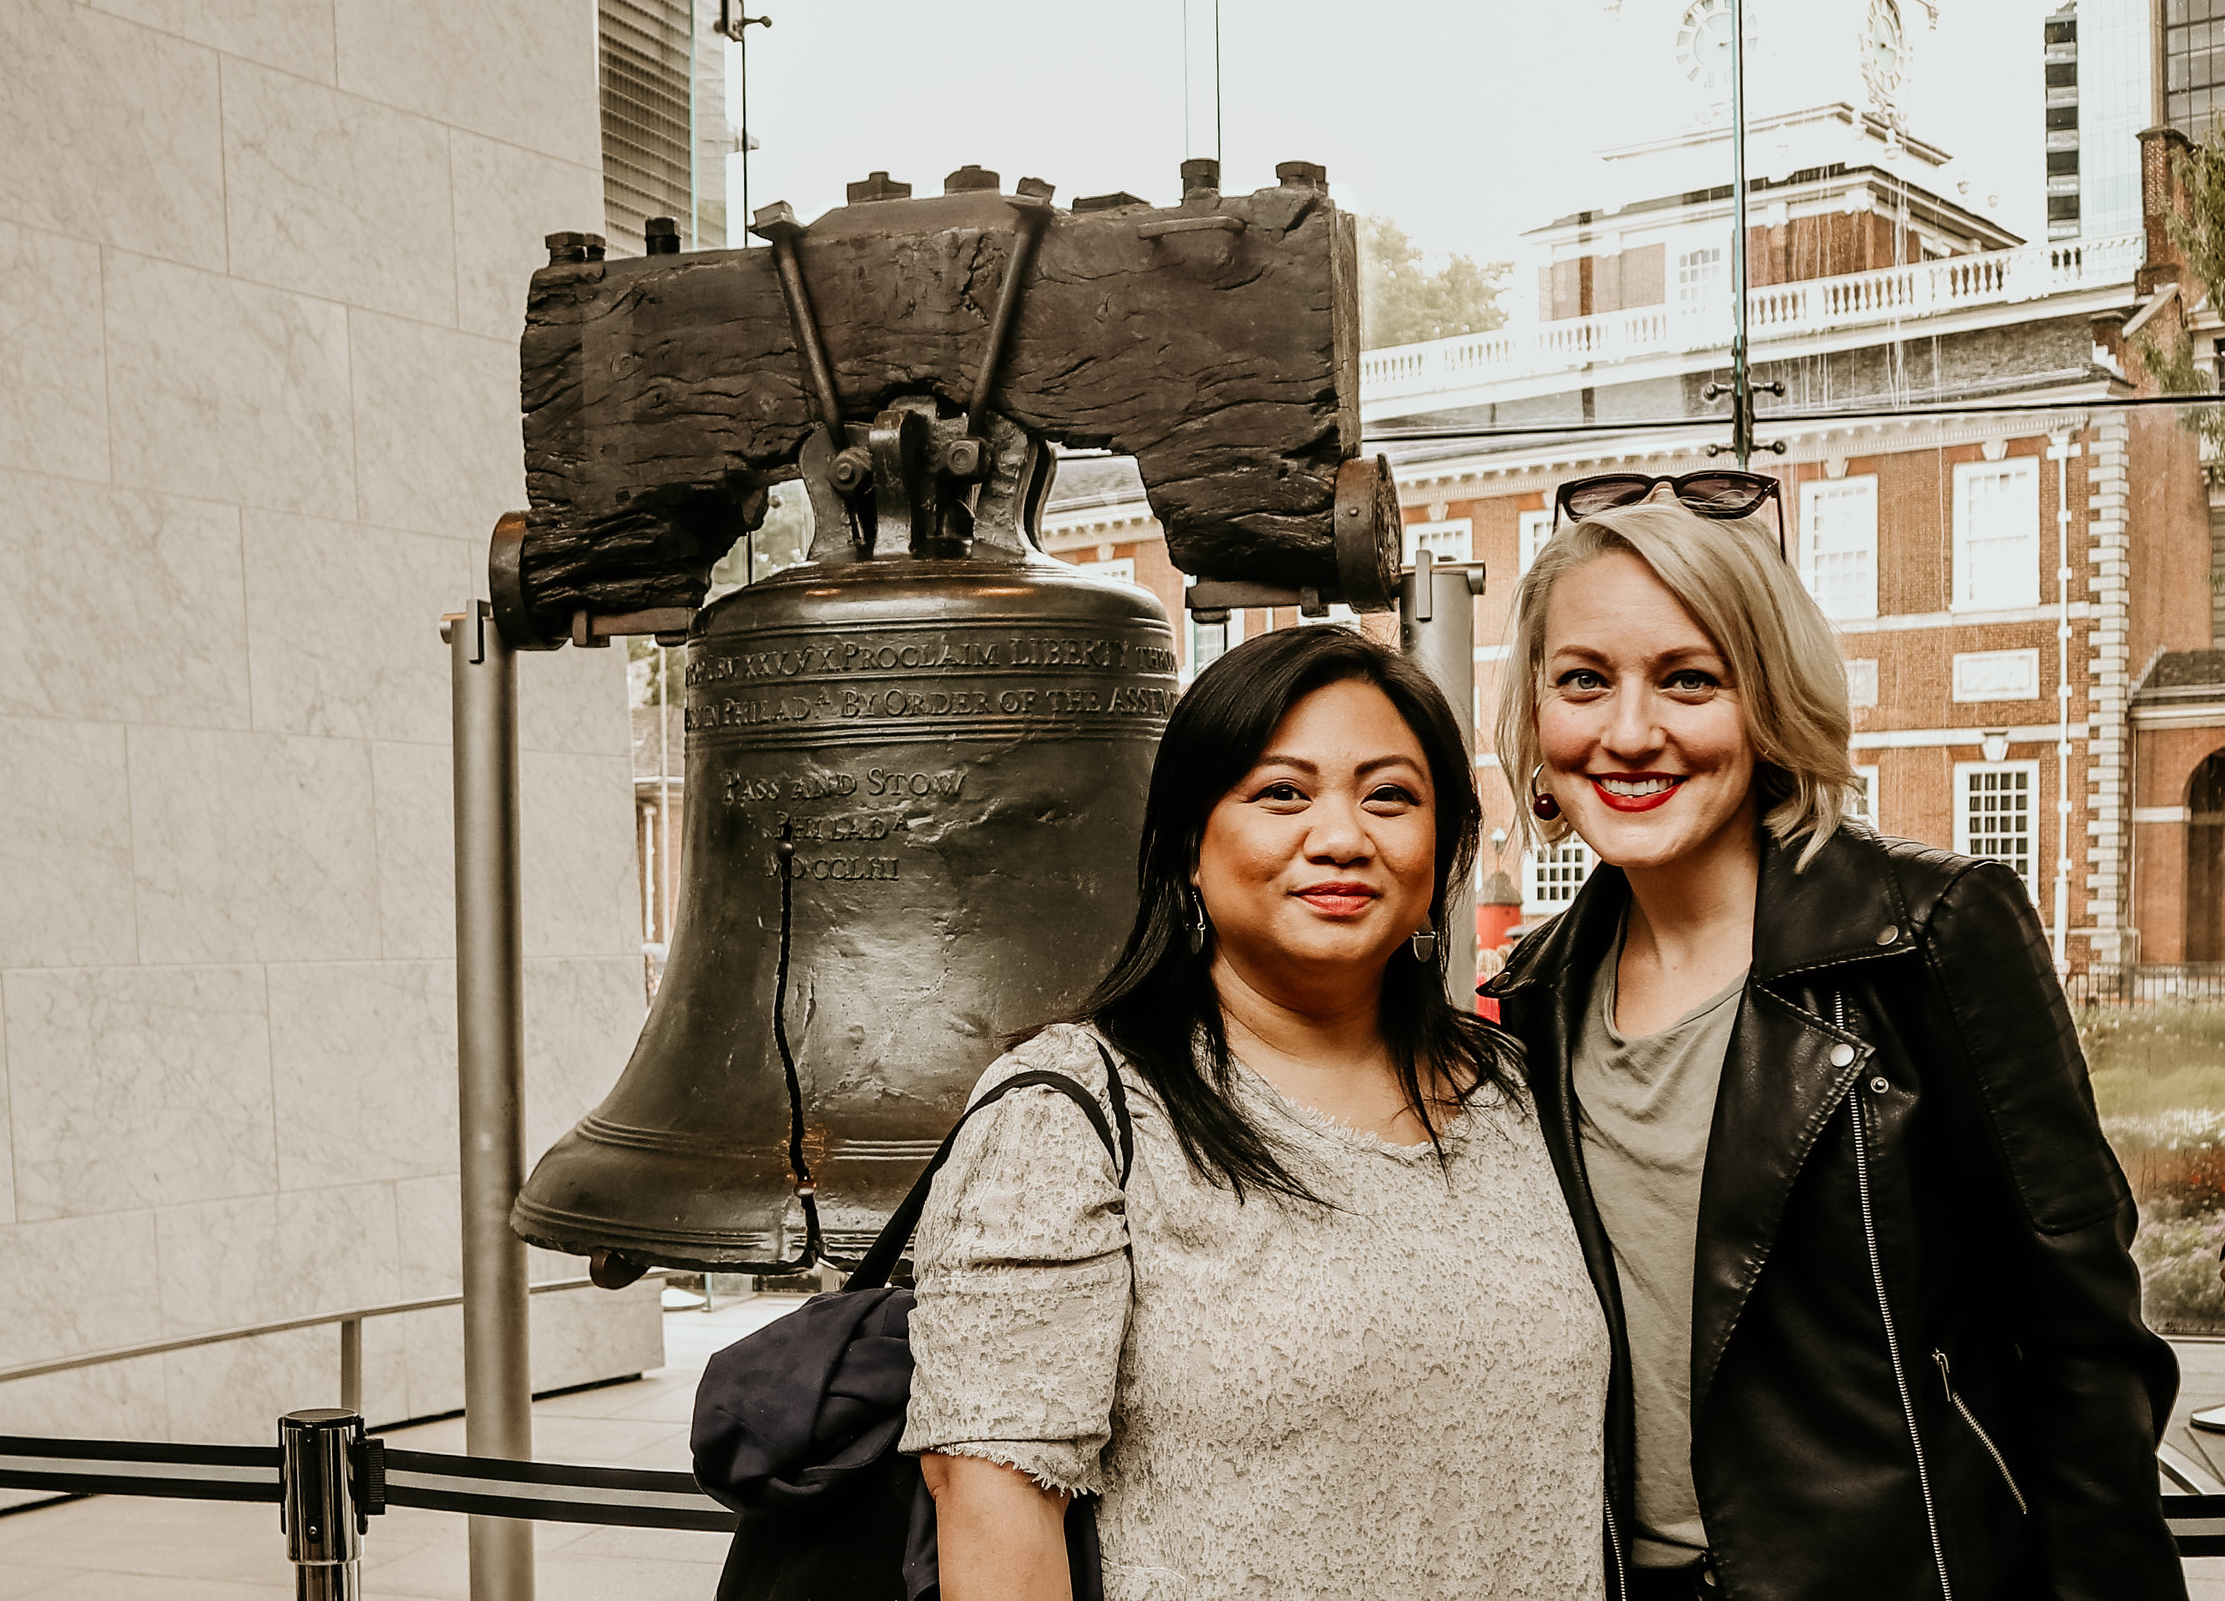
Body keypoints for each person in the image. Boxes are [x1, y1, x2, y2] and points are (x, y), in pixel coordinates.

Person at [1485, 484, 2183, 1601]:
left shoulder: (1929, 932)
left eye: (1688, 678)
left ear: (1766, 705)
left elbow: (2085, 1340)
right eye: (1582, 679)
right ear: (1533, 715)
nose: (1627, 731)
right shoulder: (1533, 994)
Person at [899, 625, 1610, 1601]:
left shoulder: (1520, 1092)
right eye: (1281, 790)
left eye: (1389, 794)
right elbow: (992, 1514)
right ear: (1188, 842)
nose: (1340, 836)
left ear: (1444, 850)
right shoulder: (1068, 1116)